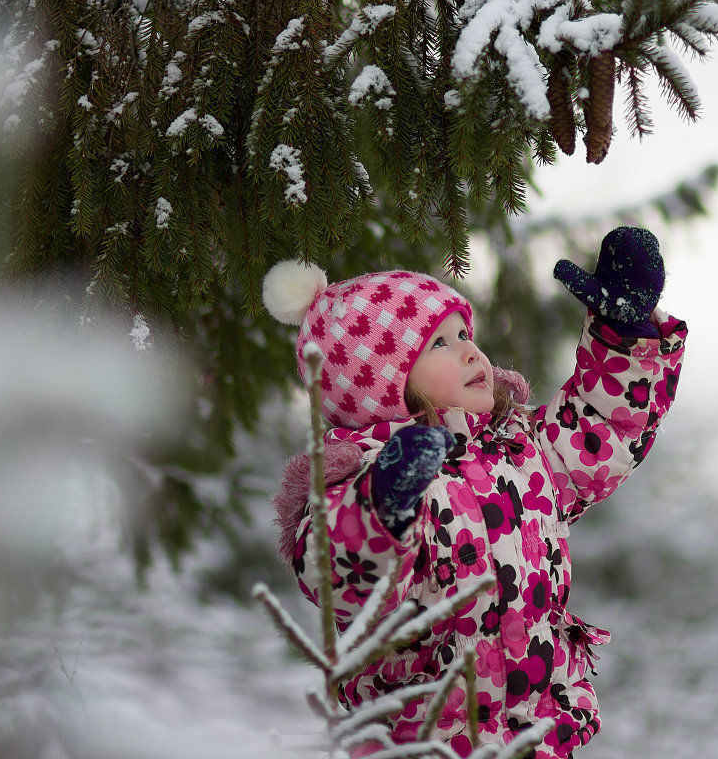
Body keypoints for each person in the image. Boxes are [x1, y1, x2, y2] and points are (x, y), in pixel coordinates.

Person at [264, 227, 687, 758]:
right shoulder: (358, 481)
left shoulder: (522, 449)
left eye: (466, 334)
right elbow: (342, 569)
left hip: (538, 735)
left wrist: (622, 334)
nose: (470, 353)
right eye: (439, 343)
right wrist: (384, 504)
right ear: (382, 385)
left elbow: (600, 427)